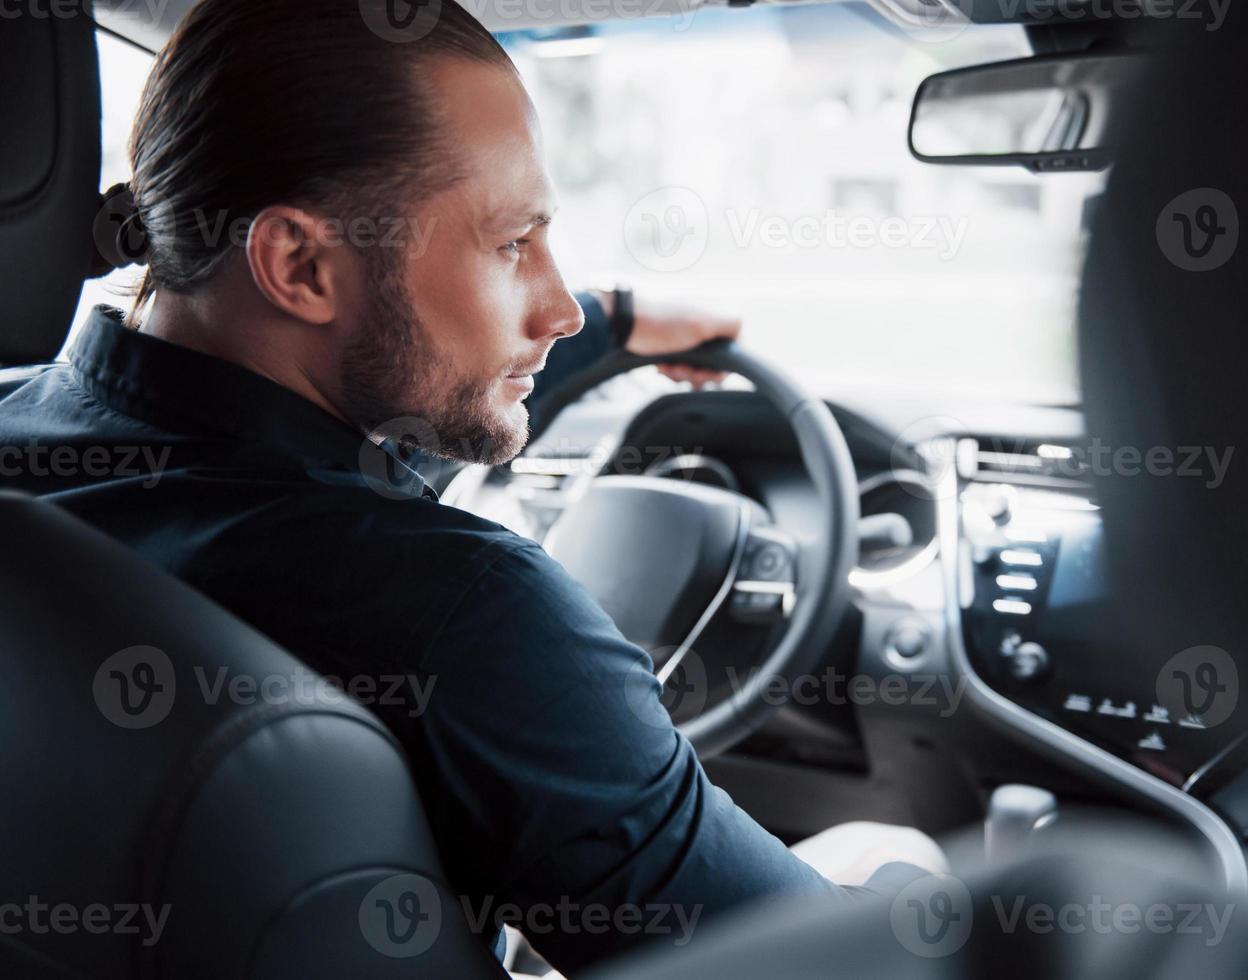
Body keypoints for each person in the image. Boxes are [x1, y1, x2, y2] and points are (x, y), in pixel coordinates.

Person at [0, 0, 937, 971]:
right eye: (512, 244)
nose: (562, 305)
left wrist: (619, 323)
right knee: (894, 859)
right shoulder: (474, 619)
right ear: (300, 264)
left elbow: (341, 429)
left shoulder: (35, 455)